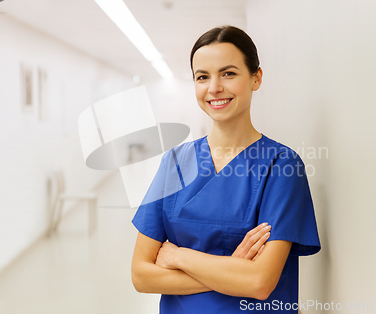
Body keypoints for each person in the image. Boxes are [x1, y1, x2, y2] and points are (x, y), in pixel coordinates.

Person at [131, 25, 321, 313]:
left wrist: (179, 256)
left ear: (256, 78)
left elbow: (259, 282)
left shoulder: (281, 166)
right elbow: (141, 275)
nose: (214, 88)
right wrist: (233, 269)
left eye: (228, 73)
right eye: (202, 77)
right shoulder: (175, 163)